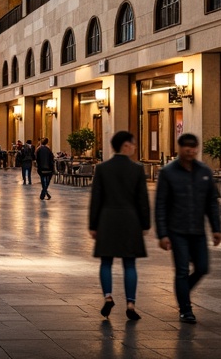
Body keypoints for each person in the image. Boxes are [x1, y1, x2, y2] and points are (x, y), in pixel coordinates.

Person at [155, 133, 221, 324]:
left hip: (198, 230)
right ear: (179, 148)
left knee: (202, 268)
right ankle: (186, 309)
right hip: (177, 231)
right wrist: (162, 234)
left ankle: (182, 291)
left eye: (194, 147)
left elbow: (211, 203)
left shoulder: (204, 171)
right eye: (186, 147)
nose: (190, 150)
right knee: (182, 270)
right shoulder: (168, 172)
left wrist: (216, 228)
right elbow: (161, 205)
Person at [89, 131, 149, 321]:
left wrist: (93, 224)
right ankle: (130, 303)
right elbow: (143, 200)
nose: (134, 147)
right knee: (129, 263)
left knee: (106, 262)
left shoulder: (102, 168)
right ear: (125, 145)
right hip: (130, 220)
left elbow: (96, 199)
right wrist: (145, 223)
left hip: (107, 219)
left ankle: (108, 297)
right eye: (132, 143)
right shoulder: (137, 169)